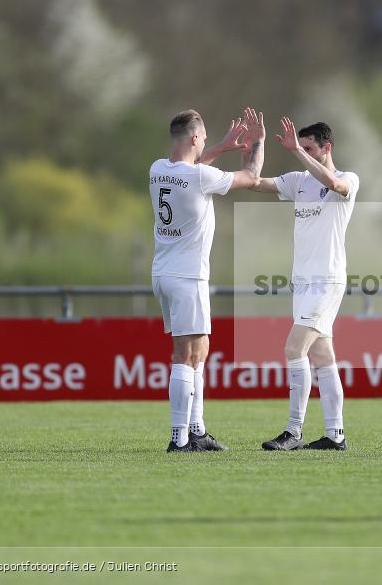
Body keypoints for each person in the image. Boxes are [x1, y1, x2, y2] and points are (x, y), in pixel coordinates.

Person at [239, 112, 359, 451]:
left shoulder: (346, 178)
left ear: (326, 148)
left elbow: (335, 185)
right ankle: (336, 436)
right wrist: (256, 144)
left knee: (294, 349)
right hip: (303, 283)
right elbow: (254, 181)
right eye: (300, 147)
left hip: (326, 281)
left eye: (309, 148)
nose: (302, 153)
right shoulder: (299, 181)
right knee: (323, 357)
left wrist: (296, 151)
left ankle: (293, 431)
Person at [150, 108, 265, 452]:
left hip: (163, 272)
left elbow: (191, 166)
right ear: (196, 138)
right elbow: (252, 176)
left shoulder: (157, 169)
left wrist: (220, 147)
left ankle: (196, 429)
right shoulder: (202, 178)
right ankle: (178, 438)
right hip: (188, 276)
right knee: (185, 356)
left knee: (199, 351)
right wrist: (257, 141)